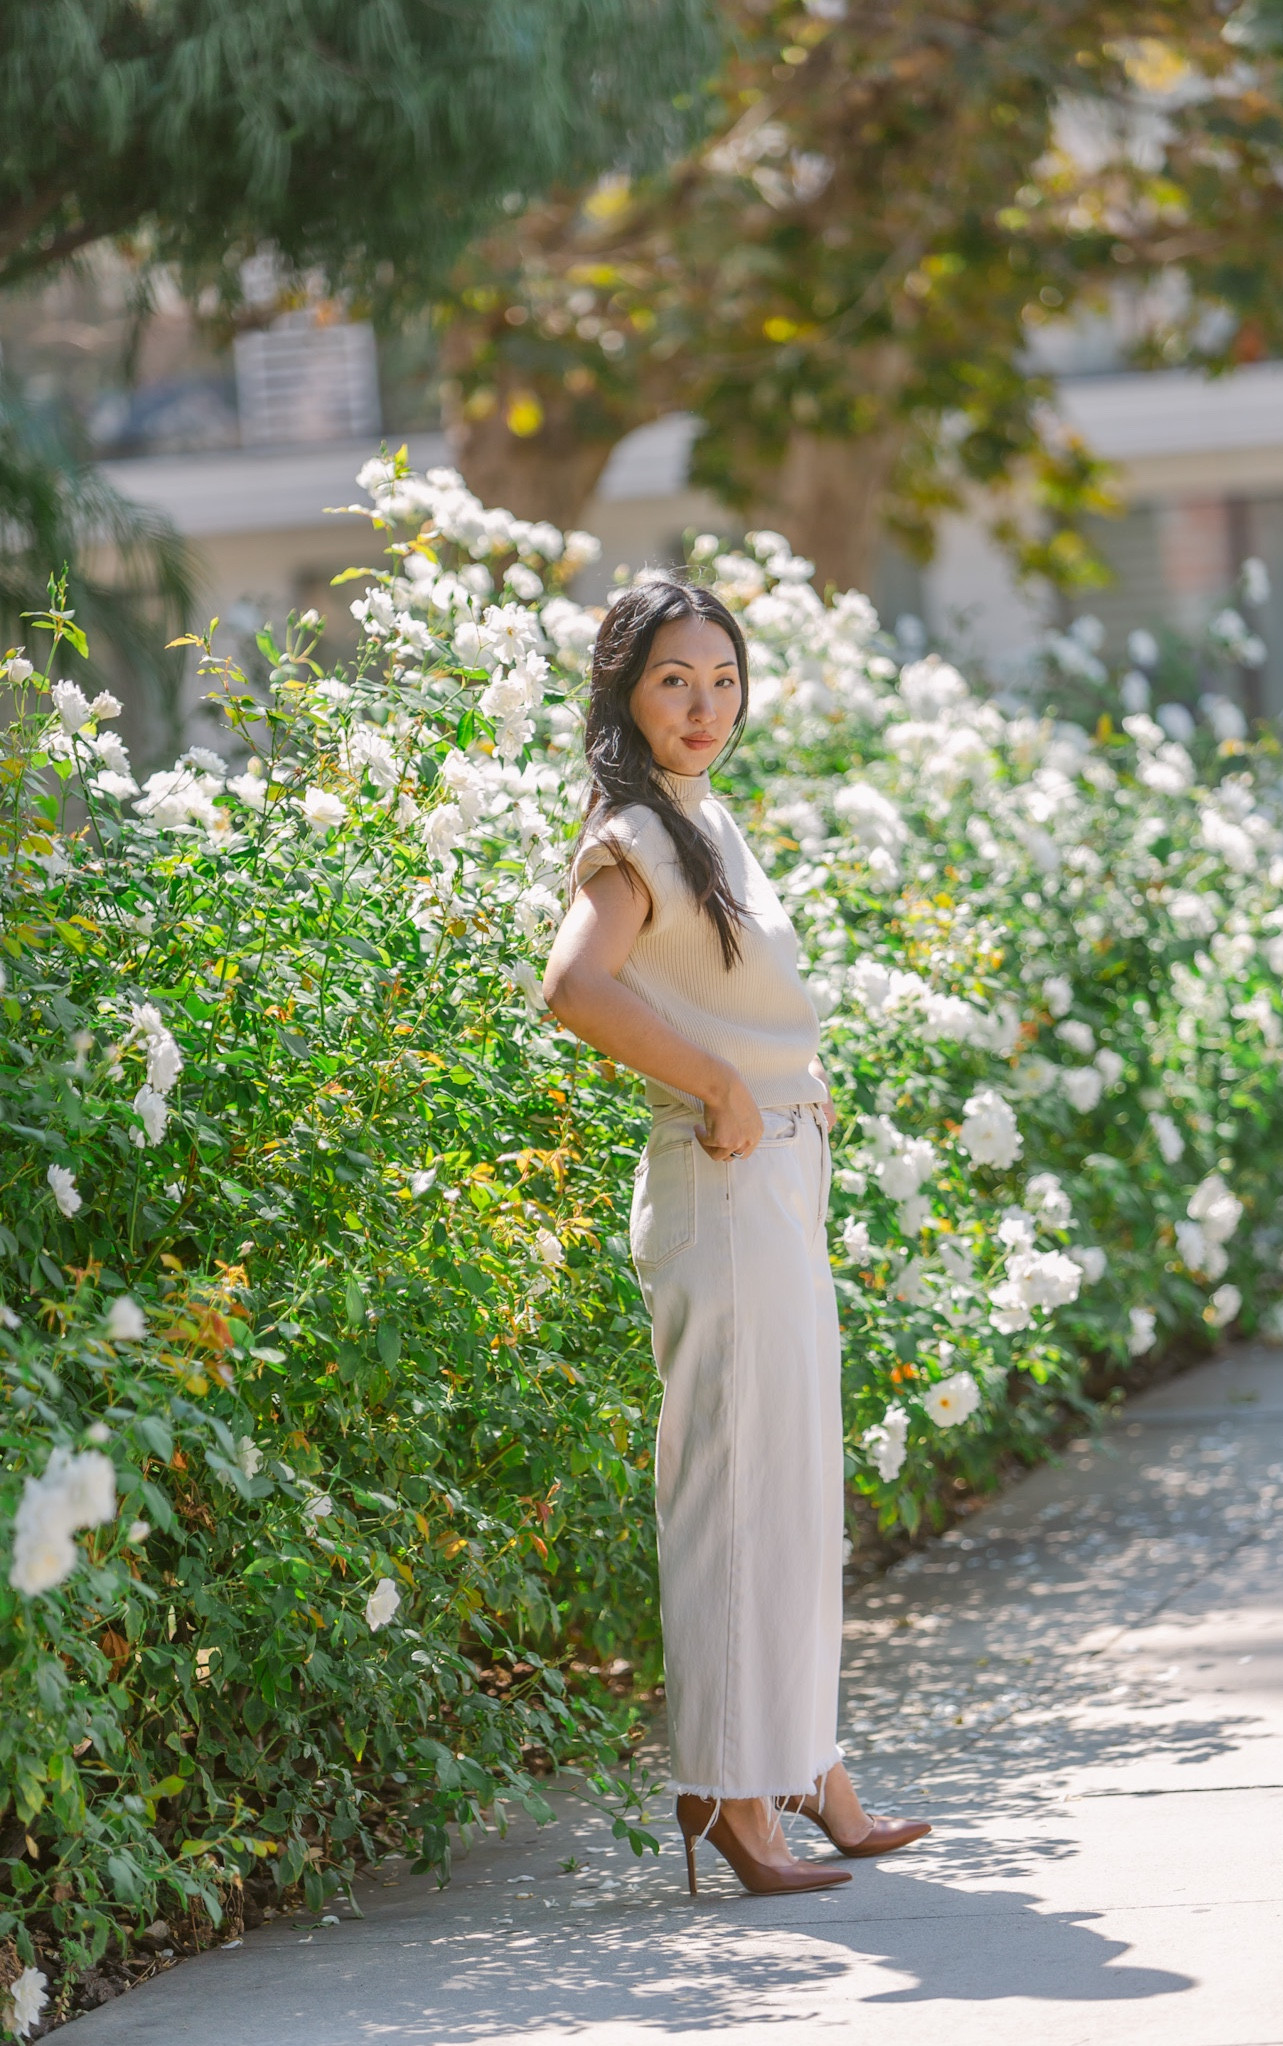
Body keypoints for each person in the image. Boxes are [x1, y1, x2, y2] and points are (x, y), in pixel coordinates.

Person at [542, 579, 931, 1896]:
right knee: (733, 1497)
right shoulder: (634, 838)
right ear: (624, 692)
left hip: (774, 1184)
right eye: (673, 681)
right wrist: (716, 1081)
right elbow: (574, 986)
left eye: (722, 677)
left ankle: (803, 1764)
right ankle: (724, 1787)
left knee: (792, 1491)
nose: (704, 705)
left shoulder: (704, 821)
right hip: (721, 1185)